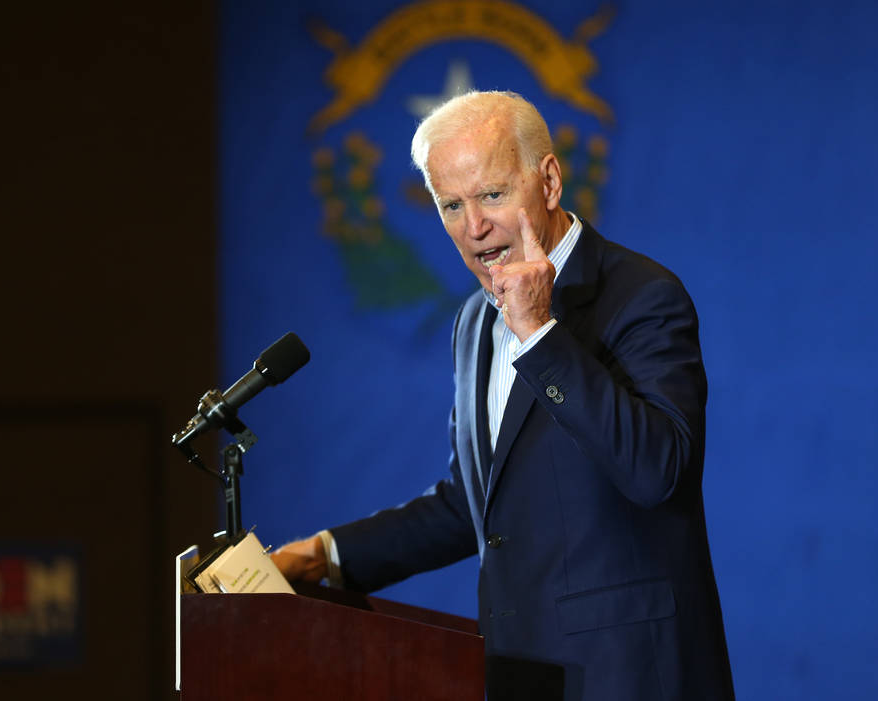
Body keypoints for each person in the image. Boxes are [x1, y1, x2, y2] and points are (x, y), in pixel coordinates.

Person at [272, 91, 734, 701]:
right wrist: (322, 556)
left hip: (632, 676)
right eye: (451, 206)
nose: (474, 228)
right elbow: (474, 504)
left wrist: (540, 334)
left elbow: (657, 471)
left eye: (491, 195)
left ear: (548, 181)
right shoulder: (473, 323)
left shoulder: (642, 296)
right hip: (522, 676)